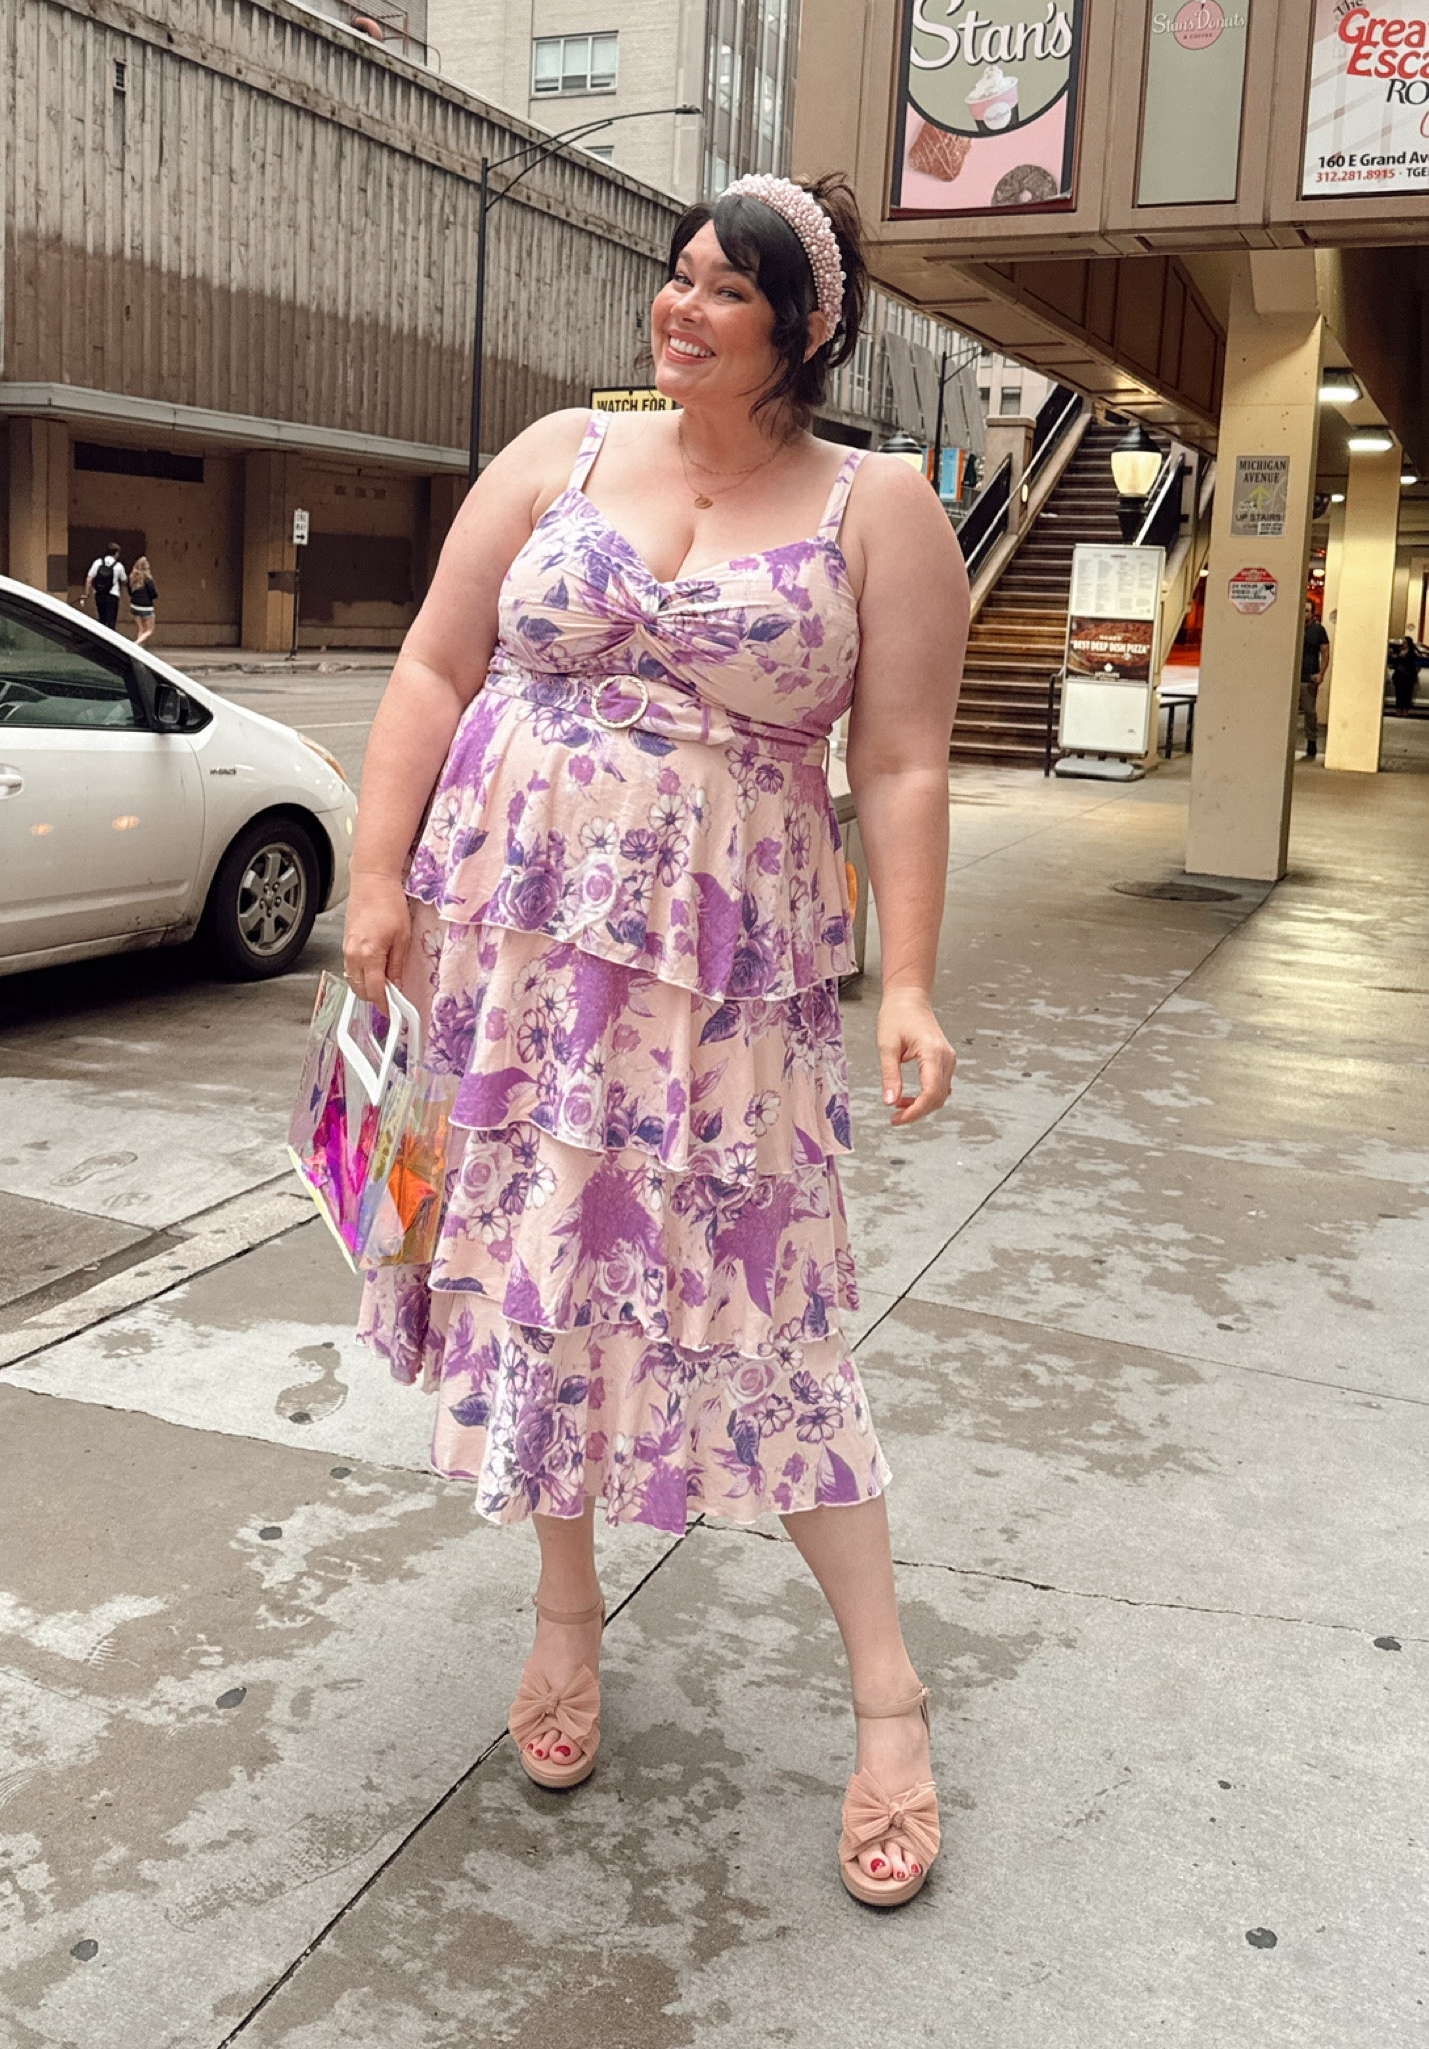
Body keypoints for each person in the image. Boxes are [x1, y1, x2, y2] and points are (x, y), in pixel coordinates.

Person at [343, 173, 967, 1907]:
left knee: (765, 1312)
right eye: (675, 277)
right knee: (545, 1280)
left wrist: (905, 978)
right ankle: (561, 1617)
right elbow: (428, 667)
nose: (679, 308)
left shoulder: (877, 502)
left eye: (725, 291)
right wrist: (379, 877)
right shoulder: (557, 452)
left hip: (719, 991)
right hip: (514, 956)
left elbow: (904, 762)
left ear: (806, 328)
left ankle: (888, 1698)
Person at [1299, 600, 1330, 759]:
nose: (1304, 614)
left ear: (1312, 613)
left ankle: (1311, 742)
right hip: (1293, 677)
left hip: (1309, 676)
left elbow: (1325, 652)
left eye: (1307, 611)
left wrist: (1321, 673)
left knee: (1309, 711)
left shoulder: (1318, 630)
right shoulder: (1294, 628)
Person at [83, 543, 128, 630]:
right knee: (111, 620)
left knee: (102, 618)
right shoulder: (119, 566)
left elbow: (89, 579)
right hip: (113, 595)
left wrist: (86, 593)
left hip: (99, 594)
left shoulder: (97, 562)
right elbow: (124, 580)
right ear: (116, 553)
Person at [127, 556, 158, 644]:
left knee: (141, 629)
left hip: (134, 606)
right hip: (146, 607)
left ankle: (140, 648)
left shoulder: (132, 578)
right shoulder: (148, 579)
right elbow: (154, 594)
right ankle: (136, 644)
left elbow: (129, 591)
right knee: (149, 630)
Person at [1389, 634, 1421, 716]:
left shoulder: (1412, 654)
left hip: (1408, 677)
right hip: (1399, 677)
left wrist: (1413, 673)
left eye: (1405, 642)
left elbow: (1416, 665)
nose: (1404, 644)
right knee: (1399, 694)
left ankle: (1405, 710)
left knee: (1407, 694)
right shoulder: (1398, 652)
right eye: (1403, 642)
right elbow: (1394, 663)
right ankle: (1398, 710)